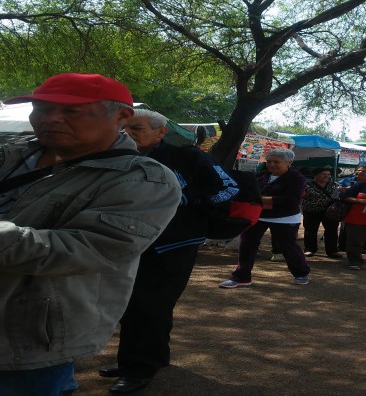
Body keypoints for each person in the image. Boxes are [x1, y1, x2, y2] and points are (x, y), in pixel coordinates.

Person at [0, 73, 182, 396]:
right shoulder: (13, 155)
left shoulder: (144, 180)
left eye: (72, 111)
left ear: (122, 116)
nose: (51, 118)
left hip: (27, 334)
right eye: (41, 108)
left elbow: (81, 249)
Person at [98, 109, 241, 394]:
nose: (128, 133)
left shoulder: (187, 157)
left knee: (147, 304)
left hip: (173, 244)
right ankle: (150, 358)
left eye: (136, 128)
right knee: (135, 302)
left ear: (161, 132)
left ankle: (137, 368)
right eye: (124, 128)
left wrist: (184, 197)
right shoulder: (119, 157)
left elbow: (229, 188)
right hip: (128, 241)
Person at [219, 148, 310, 287]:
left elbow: (291, 200)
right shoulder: (262, 175)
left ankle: (301, 273)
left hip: (285, 217)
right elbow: (248, 191)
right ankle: (242, 276)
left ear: (288, 162)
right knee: (247, 244)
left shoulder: (297, 178)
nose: (271, 165)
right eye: (269, 161)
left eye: (276, 162)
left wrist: (260, 199)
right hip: (258, 214)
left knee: (287, 246)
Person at [301, 167, 341, 258]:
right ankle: (310, 249)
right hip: (311, 211)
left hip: (330, 211)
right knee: (310, 230)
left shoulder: (334, 185)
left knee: (332, 230)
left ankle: (332, 251)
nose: (327, 176)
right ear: (315, 175)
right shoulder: (307, 185)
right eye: (324, 174)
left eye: (328, 175)